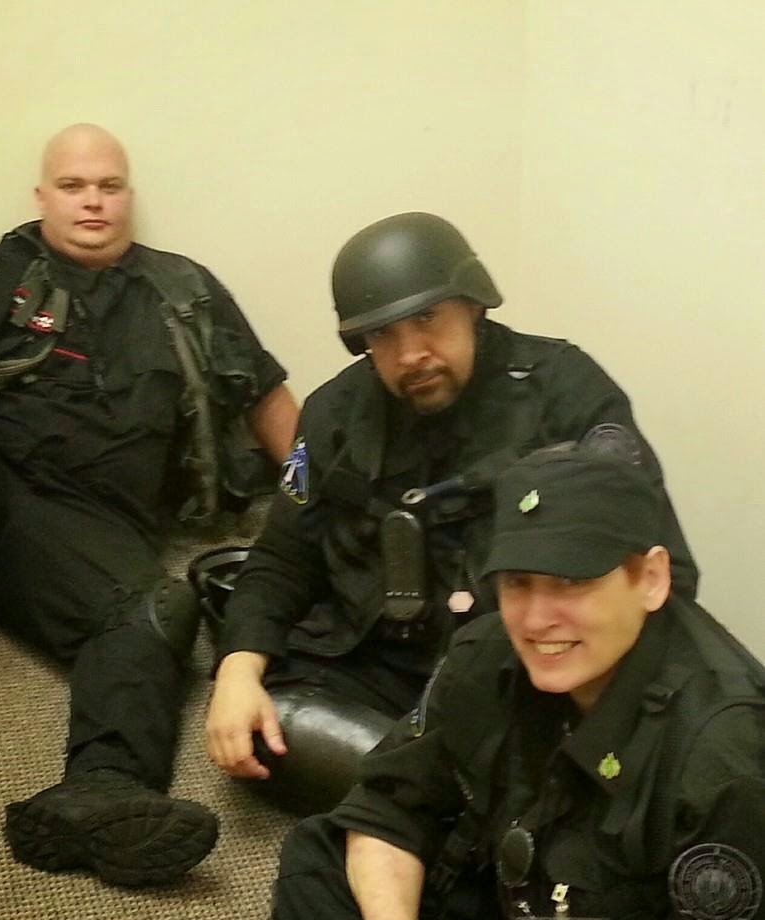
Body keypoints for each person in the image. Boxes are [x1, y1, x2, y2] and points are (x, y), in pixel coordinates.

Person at [204, 211, 698, 813]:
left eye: (428, 319)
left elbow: (662, 570)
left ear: (473, 306)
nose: (411, 353)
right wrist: (236, 669)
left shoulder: (565, 391)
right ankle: (456, 801)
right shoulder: (334, 413)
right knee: (266, 727)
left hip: (522, 666)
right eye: (383, 335)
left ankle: (420, 801)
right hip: (379, 661)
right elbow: (283, 556)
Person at [0, 123, 298, 887]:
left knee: (155, 610)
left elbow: (266, 395)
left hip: (92, 530)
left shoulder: (184, 289)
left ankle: (102, 793)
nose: (92, 202)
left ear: (128, 196)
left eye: (108, 186)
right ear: (42, 197)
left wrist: (316, 496)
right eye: (73, 187)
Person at [273, 442, 765, 920]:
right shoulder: (488, 653)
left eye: (570, 581)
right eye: (517, 582)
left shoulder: (724, 763)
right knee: (321, 856)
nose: (534, 620)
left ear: (650, 579)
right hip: (514, 908)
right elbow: (387, 807)